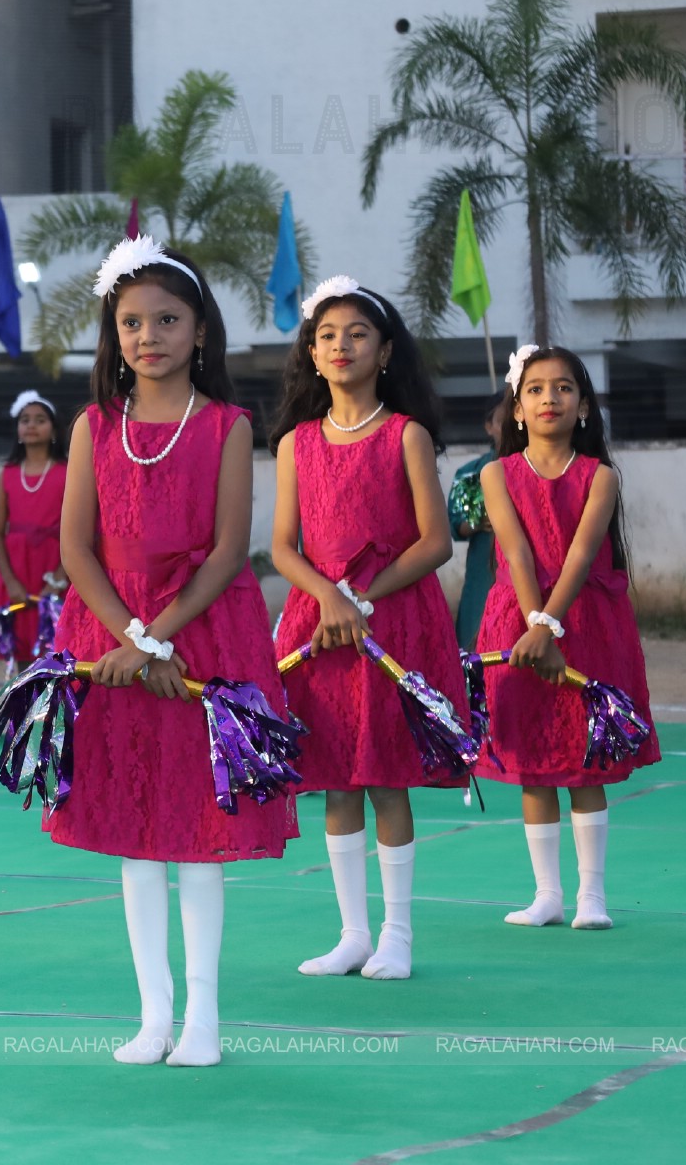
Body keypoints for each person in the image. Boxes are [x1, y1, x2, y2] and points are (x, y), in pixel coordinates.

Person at [48, 236, 295, 1067]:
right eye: (130, 322)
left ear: (200, 331)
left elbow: (227, 553)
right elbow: (76, 549)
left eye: (166, 320)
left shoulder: (227, 426)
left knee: (197, 830)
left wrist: (157, 639)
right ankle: (153, 1016)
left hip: (204, 637)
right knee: (135, 831)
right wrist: (129, 639)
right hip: (108, 641)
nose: (147, 335)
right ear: (113, 335)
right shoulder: (93, 427)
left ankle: (203, 1020)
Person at [270, 275, 464, 982]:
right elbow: (283, 547)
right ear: (311, 354)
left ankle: (397, 935)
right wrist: (329, 598)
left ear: (384, 352)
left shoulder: (406, 435)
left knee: (386, 776)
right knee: (337, 778)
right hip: (318, 626)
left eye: (357, 334)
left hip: (391, 622)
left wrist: (359, 597)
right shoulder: (295, 444)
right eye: (327, 335)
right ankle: (352, 934)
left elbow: (435, 542)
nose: (341, 345)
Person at [477, 345, 660, 930]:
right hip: (518, 621)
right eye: (535, 389)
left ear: (582, 406)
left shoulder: (600, 476)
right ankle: (547, 895)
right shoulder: (495, 474)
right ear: (518, 408)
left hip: (586, 624)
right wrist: (535, 627)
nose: (549, 398)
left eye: (563, 387)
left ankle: (592, 896)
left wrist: (550, 626)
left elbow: (580, 556)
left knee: (585, 760)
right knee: (533, 762)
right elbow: (516, 553)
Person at [0, 390, 69, 669]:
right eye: (25, 420)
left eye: (40, 420)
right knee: (22, 650)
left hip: (56, 567)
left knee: (57, 651)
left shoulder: (69, 473)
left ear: (54, 429)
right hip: (17, 570)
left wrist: (59, 579)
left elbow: (83, 532)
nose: (31, 425)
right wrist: (10, 581)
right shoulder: (6, 475)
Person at [451, 392, 506, 651]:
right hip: (483, 574)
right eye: (502, 420)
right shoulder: (471, 475)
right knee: (475, 649)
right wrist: (478, 521)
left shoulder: (538, 469)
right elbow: (457, 524)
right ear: (488, 426)